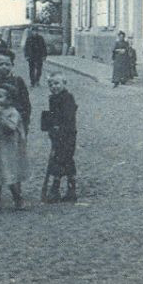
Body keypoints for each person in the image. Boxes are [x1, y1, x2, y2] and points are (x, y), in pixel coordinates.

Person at [40, 73, 78, 202]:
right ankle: (62, 189)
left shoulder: (68, 98)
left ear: (64, 83)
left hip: (67, 135)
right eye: (51, 84)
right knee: (59, 159)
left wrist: (58, 126)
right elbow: (52, 115)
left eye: (57, 83)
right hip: (57, 135)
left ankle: (65, 189)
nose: (54, 87)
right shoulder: (53, 98)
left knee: (63, 159)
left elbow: (68, 116)